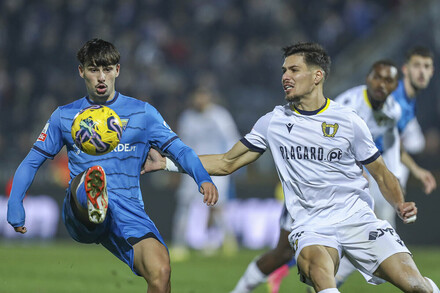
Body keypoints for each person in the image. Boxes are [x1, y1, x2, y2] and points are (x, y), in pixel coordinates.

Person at [143, 42, 440, 293]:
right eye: (284, 70)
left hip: (358, 218)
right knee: (318, 270)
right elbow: (226, 161)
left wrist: (399, 203)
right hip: (311, 225)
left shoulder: (348, 121)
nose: (285, 76)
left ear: (317, 76)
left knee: (417, 287)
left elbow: (381, 171)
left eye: (293, 70)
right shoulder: (273, 122)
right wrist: (169, 162)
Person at [7, 38, 218, 293]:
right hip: (80, 210)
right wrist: (15, 203)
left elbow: (180, 150)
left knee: (161, 271)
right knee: (89, 178)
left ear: (117, 70)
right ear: (81, 71)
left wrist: (202, 178)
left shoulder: (143, 113)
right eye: (94, 69)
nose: (101, 77)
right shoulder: (64, 116)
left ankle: (101, 202)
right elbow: (32, 161)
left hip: (128, 211)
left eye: (107, 69)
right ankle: (94, 199)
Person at [333, 59, 437, 289]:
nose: (381, 84)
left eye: (388, 80)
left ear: (395, 86)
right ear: (368, 79)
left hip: (374, 173)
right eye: (377, 77)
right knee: (368, 230)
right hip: (343, 175)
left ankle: (333, 277)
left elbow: (391, 147)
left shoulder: (394, 110)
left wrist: (396, 178)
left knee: (379, 229)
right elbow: (331, 140)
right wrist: (354, 172)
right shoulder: (349, 105)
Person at [171, 86, 240, 259]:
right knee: (184, 203)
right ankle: (179, 244)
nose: (199, 99)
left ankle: (225, 239)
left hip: (217, 166)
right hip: (192, 166)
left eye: (203, 95)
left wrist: (230, 164)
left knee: (216, 205)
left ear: (209, 97)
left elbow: (232, 139)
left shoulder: (219, 115)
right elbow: (181, 144)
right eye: (197, 96)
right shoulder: (188, 117)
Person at [392, 46, 435, 192]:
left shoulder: (411, 102)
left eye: (426, 66)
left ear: (432, 72)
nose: (422, 72)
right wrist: (416, 170)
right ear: (405, 69)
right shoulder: (392, 99)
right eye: (416, 65)